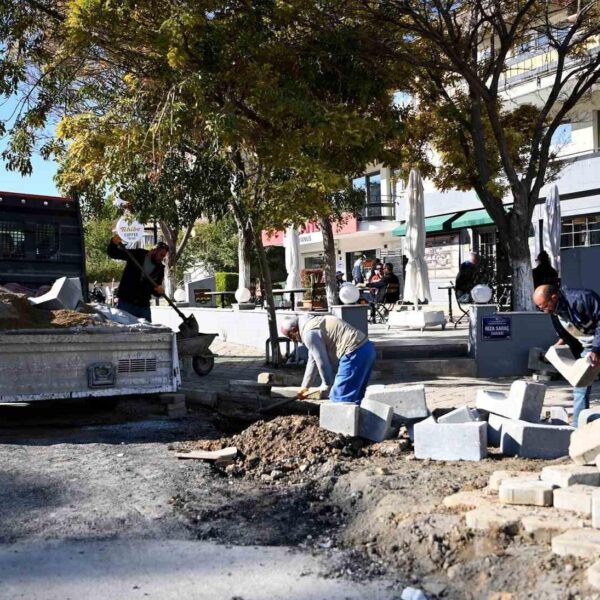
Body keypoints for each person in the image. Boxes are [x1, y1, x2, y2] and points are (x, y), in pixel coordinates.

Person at [533, 284, 600, 426]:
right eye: (539, 307)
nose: (543, 311)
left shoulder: (583, 298)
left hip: (596, 345)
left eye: (544, 306)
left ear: (554, 297)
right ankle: (578, 427)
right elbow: (566, 331)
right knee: (580, 385)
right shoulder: (554, 310)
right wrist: (559, 344)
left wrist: (596, 349)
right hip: (589, 346)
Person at [280, 314, 376, 404]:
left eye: (290, 336)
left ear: (295, 329)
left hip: (354, 353)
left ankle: (339, 422)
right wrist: (305, 387)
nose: (293, 340)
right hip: (366, 349)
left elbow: (322, 361)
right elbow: (312, 360)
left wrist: (327, 384)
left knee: (339, 399)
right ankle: (357, 421)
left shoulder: (309, 333)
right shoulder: (313, 324)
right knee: (355, 397)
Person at [107, 234, 169, 321]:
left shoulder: (159, 269)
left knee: (148, 332)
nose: (162, 258)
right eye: (161, 255)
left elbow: (155, 290)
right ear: (154, 250)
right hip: (126, 302)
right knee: (125, 331)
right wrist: (113, 243)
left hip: (143, 306)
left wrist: (159, 291)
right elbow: (114, 253)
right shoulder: (138, 254)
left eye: (164, 257)